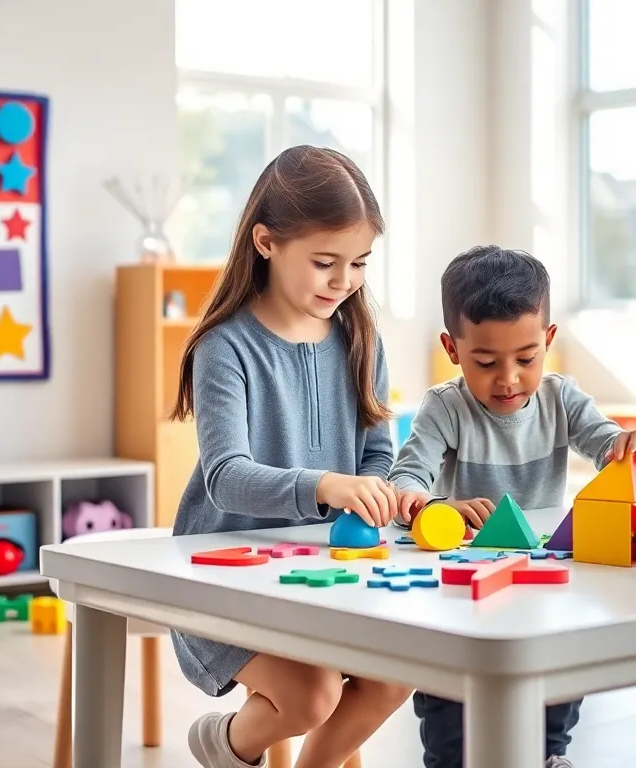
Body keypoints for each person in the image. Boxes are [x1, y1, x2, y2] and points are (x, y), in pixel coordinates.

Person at [167, 145, 412, 768]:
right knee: (311, 695)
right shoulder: (226, 347)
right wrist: (329, 486)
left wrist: (377, 491)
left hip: (326, 571)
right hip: (224, 575)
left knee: (396, 672)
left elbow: (378, 449)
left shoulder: (361, 341)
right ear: (266, 243)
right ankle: (223, 743)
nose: (344, 281)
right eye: (325, 262)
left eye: (359, 263)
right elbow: (226, 477)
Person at [389, 245, 636, 768]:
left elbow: (605, 441)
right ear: (452, 348)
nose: (509, 379)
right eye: (486, 362)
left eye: (526, 358)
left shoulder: (562, 398)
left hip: (540, 575)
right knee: (451, 708)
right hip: (461, 588)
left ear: (549, 340)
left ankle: (549, 755)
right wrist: (431, 507)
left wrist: (630, 446)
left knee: (560, 667)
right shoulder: (445, 408)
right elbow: (406, 478)